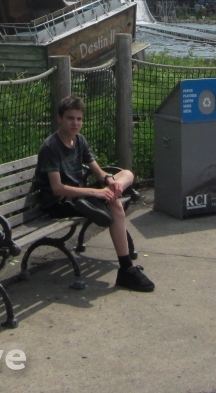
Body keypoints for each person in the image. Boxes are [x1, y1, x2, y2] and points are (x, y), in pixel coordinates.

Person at [34, 96, 154, 292]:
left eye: (79, 119)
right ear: (59, 119)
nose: (76, 123)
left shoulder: (79, 140)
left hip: (80, 194)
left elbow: (98, 171)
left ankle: (98, 203)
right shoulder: (50, 147)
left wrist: (109, 181)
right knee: (115, 206)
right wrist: (95, 192)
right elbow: (57, 188)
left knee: (127, 174)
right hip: (59, 201)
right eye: (70, 118)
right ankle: (126, 269)